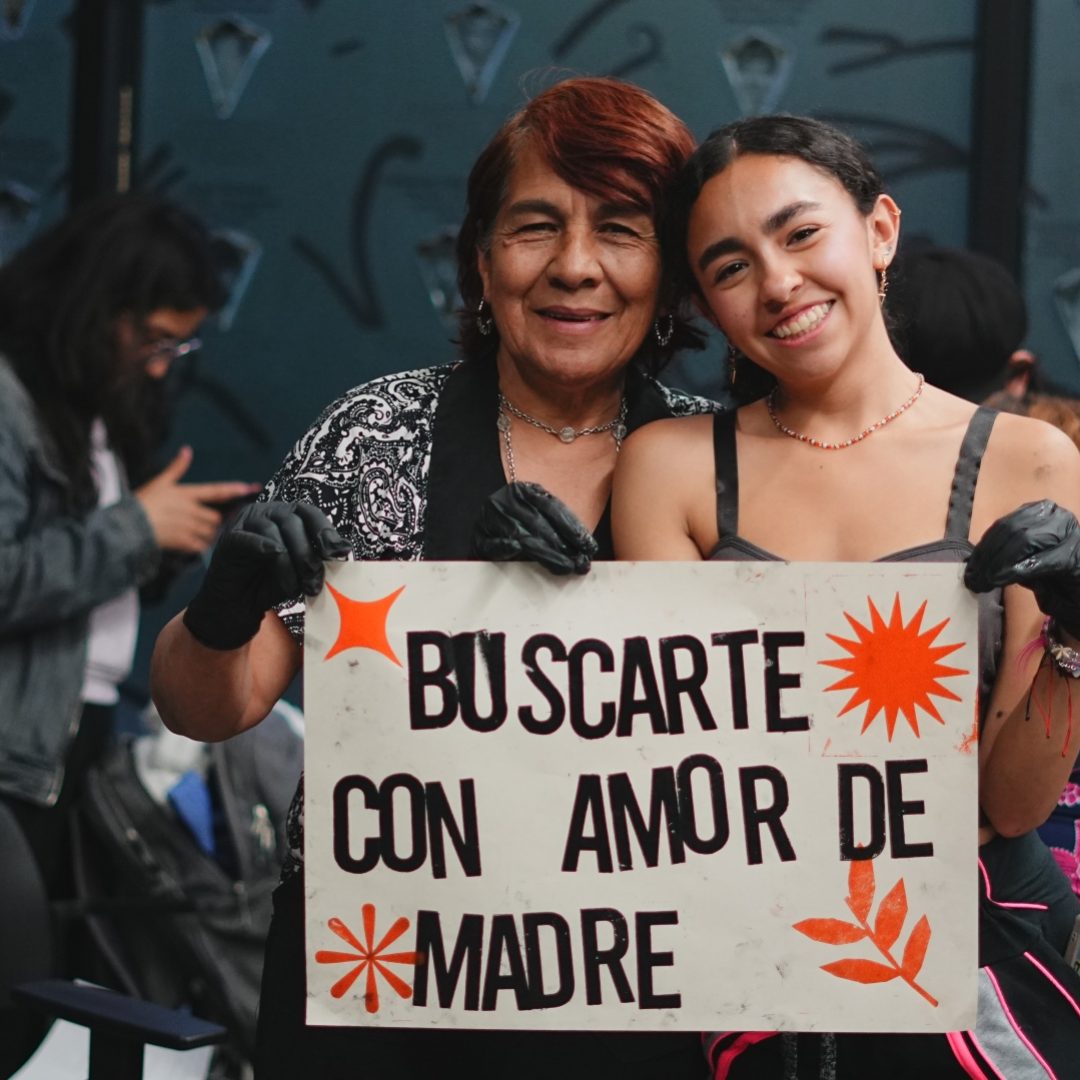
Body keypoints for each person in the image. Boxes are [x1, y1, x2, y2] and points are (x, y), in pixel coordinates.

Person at [150, 76, 718, 1079]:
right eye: (535, 225)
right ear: (480, 258)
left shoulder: (721, 472)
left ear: (671, 272)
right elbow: (212, 708)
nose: (575, 267)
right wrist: (224, 608)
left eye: (622, 230)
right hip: (376, 982)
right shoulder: (372, 436)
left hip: (631, 986)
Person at [611, 114, 1080, 1078]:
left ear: (879, 231)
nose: (778, 283)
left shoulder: (1028, 458)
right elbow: (672, 763)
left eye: (800, 233)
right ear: (706, 301)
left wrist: (1076, 638)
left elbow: (1014, 799)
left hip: (979, 963)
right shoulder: (672, 468)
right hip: (755, 952)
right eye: (730, 266)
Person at [0, 191, 257, 1074]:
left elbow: (71, 587)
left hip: (73, 744)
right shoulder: (6, 400)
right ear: (92, 306)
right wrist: (136, 531)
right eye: (153, 339)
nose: (159, 367)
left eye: (176, 348)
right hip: (12, 760)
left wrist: (164, 545)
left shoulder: (90, 414)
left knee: (58, 998)